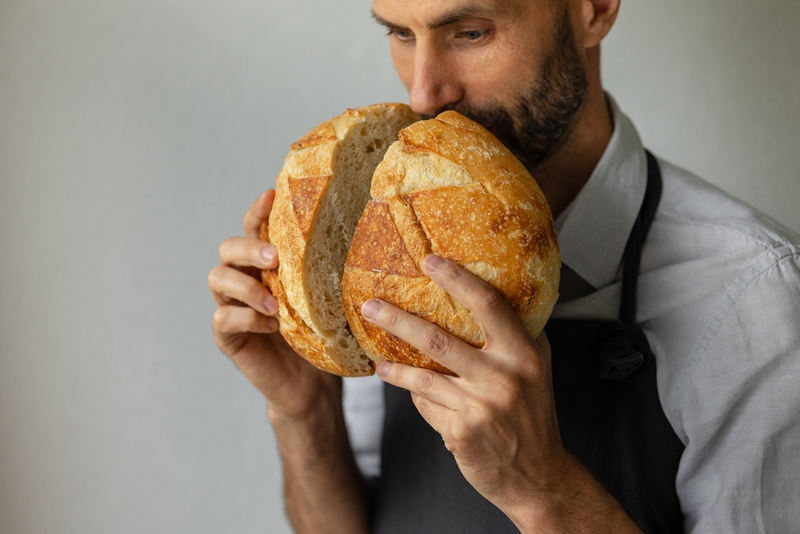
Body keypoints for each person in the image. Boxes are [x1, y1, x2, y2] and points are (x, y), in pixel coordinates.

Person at [208, 0, 800, 532]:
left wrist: (542, 489)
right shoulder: (381, 258)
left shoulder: (754, 294)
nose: (424, 93)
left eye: (469, 32)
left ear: (594, 9)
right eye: (400, 33)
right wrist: (307, 414)